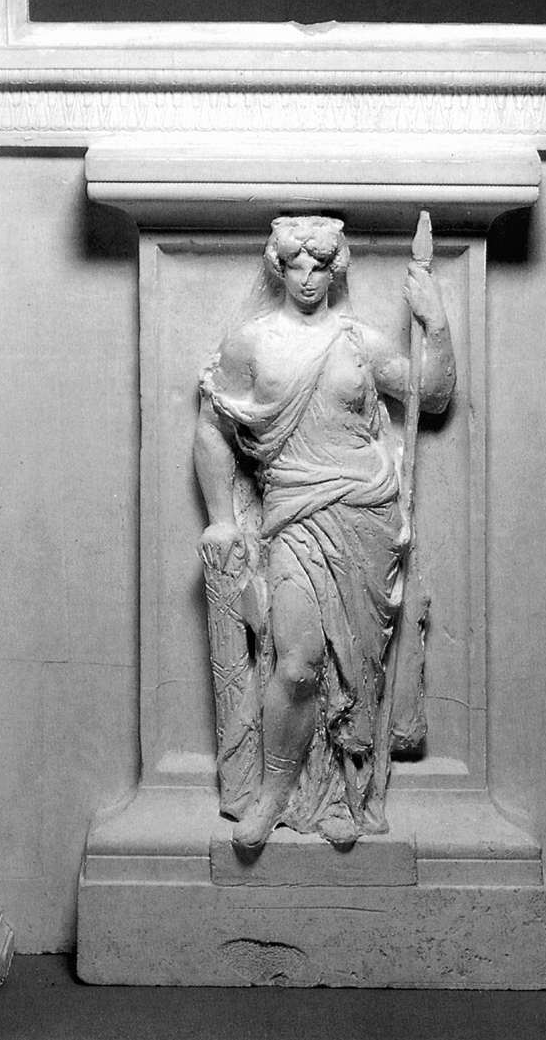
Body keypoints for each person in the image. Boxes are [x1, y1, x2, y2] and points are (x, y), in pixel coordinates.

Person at [195, 216, 455, 850]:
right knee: (297, 663)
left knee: (357, 671)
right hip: (296, 517)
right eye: (296, 265)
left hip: (366, 517)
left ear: (335, 270)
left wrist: (436, 323)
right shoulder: (252, 344)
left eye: (319, 265)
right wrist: (222, 517)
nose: (308, 278)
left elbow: (431, 393)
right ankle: (273, 793)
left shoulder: (357, 342)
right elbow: (212, 426)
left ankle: (344, 792)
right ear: (278, 268)